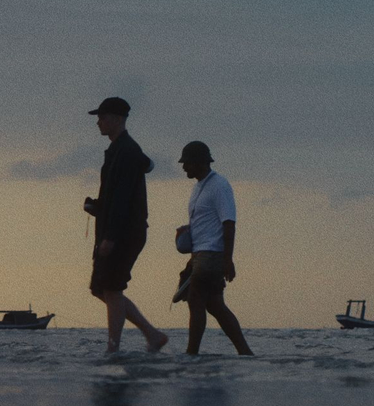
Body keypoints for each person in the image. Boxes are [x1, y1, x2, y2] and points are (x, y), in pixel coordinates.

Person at [84, 97, 167, 353]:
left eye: (103, 117)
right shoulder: (119, 150)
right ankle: (151, 335)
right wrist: (97, 207)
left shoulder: (127, 151)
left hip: (123, 233)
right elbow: (115, 196)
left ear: (118, 119)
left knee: (111, 288)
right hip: (119, 230)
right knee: (102, 288)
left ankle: (113, 349)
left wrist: (110, 236)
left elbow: (122, 197)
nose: (98, 121)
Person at [175, 141, 252, 356]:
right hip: (201, 254)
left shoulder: (219, 186)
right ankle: (245, 352)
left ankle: (192, 353)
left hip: (212, 254)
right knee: (215, 305)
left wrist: (228, 260)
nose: (183, 168)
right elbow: (204, 224)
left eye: (187, 163)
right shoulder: (198, 187)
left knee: (195, 300)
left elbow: (229, 223)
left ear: (200, 162)